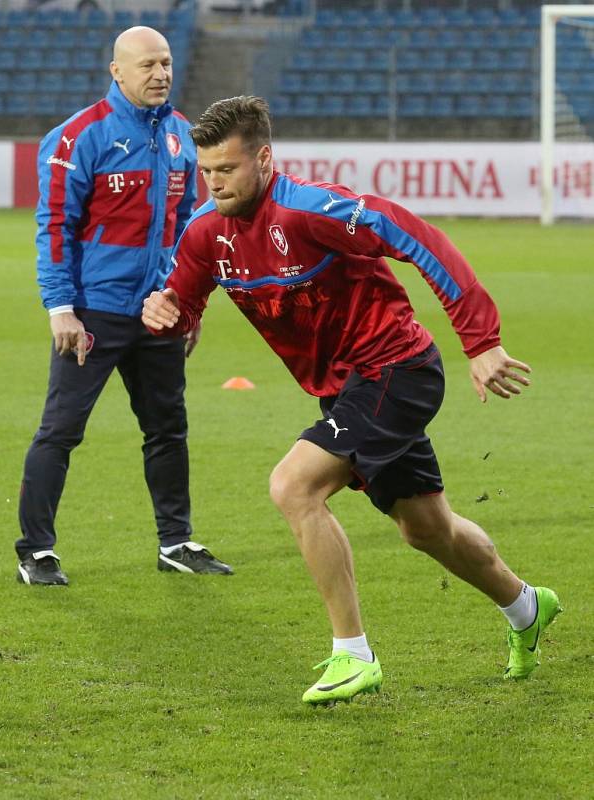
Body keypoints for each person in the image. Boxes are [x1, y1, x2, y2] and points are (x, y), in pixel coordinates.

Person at [141, 96, 562, 704]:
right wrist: (167, 312)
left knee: (294, 485)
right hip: (347, 390)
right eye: (206, 172)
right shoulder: (207, 232)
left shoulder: (312, 209)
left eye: (226, 170)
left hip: (397, 367)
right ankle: (526, 606)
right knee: (427, 530)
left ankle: (352, 655)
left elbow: (418, 237)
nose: (214, 184)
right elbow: (181, 302)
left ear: (263, 158)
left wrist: (481, 339)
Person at [16, 27, 233, 586]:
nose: (160, 74)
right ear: (116, 71)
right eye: (147, 66)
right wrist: (60, 305)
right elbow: (55, 228)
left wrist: (188, 303)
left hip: (159, 309)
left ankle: (176, 541)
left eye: (165, 63)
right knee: (60, 431)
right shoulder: (78, 137)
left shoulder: (184, 136)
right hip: (94, 312)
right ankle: (35, 551)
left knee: (168, 429)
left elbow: (190, 229)